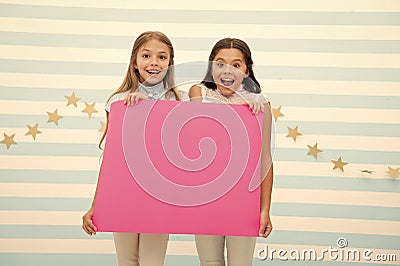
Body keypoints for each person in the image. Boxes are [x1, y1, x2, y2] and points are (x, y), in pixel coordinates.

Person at [82, 31, 188, 266]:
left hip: (158, 196)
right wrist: (95, 205)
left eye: (162, 57)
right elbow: (111, 160)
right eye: (146, 55)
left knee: (152, 261)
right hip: (122, 193)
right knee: (126, 260)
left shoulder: (179, 103)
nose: (154, 63)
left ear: (170, 64)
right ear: (134, 61)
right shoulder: (118, 101)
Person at [189, 38, 274, 266]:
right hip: (206, 199)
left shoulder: (260, 105)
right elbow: (189, 143)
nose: (227, 70)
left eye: (236, 65)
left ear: (247, 70)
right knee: (209, 262)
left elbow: (264, 159)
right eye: (220, 63)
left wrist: (264, 210)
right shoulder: (199, 94)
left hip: (244, 201)